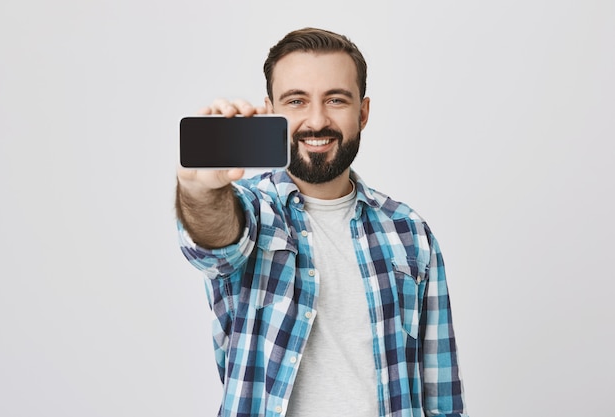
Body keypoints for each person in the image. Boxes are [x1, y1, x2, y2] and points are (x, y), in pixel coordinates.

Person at [176, 27, 468, 417]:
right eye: (296, 101)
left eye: (336, 99)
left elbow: (442, 395)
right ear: (272, 110)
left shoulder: (409, 231)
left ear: (362, 113)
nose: (317, 120)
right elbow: (216, 243)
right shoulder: (251, 209)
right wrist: (201, 192)